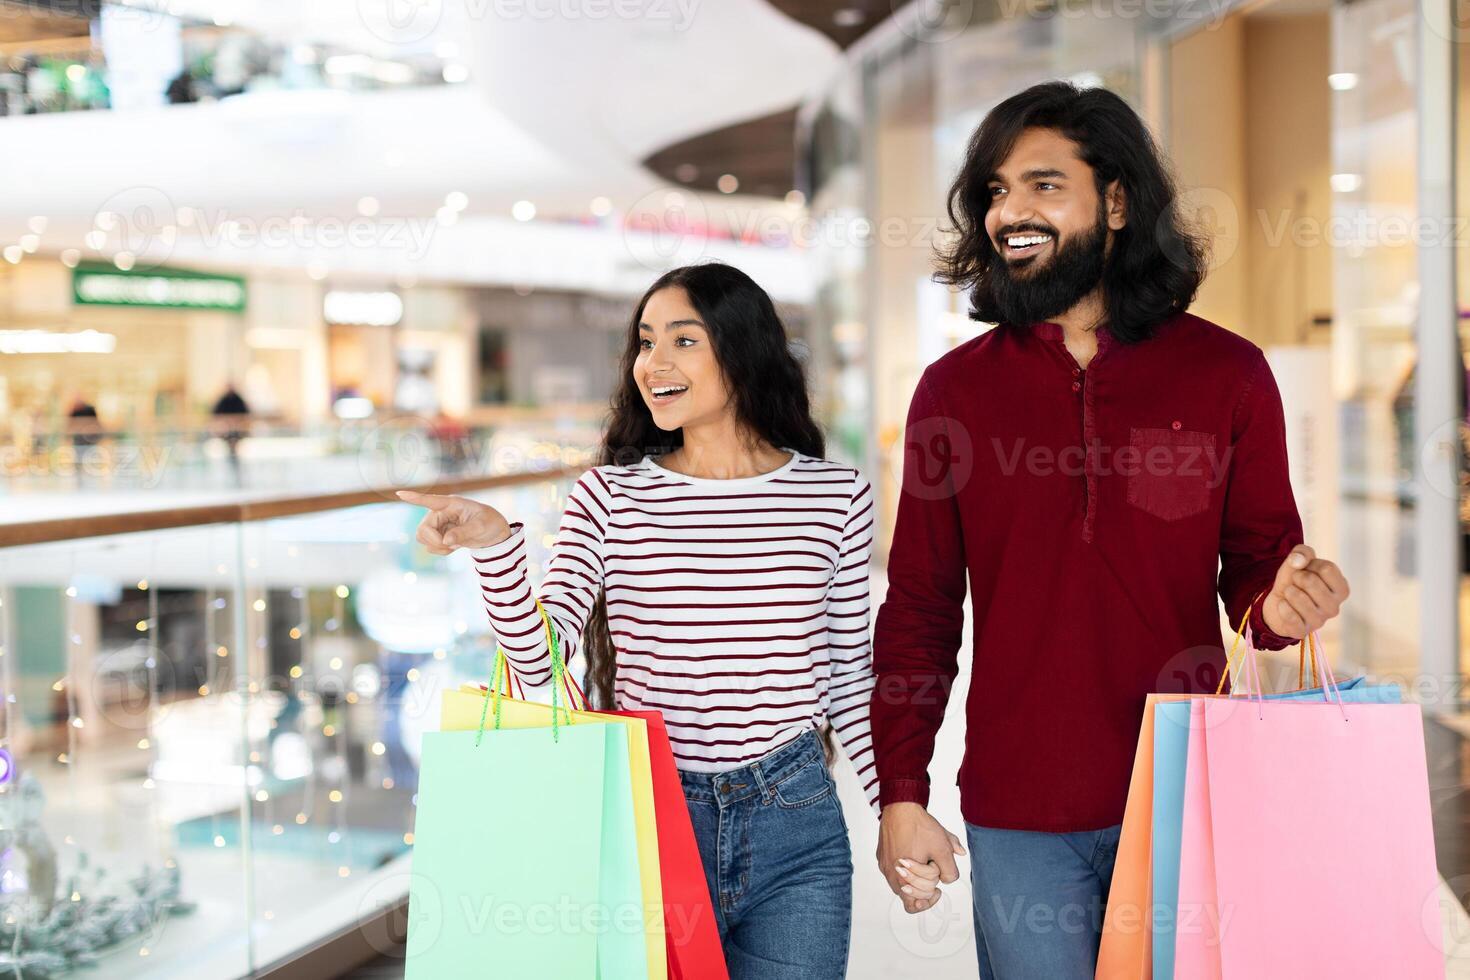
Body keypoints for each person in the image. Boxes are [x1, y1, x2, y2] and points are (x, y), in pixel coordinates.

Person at [869, 81, 1351, 979]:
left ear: (1118, 200)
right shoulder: (954, 391)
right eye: (996, 190)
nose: (1011, 210)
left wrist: (1289, 602)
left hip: (1187, 789)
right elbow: (921, 608)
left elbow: (1257, 576)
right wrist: (902, 789)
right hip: (1018, 807)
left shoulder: (1229, 375)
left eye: (1043, 185)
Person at [399, 261, 876, 979]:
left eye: (683, 340)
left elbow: (850, 677)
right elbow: (541, 666)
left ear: (742, 349)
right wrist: (497, 547)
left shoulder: (835, 495)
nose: (653, 362)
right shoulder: (608, 495)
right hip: (647, 816)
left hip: (796, 817)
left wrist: (899, 807)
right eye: (646, 341)